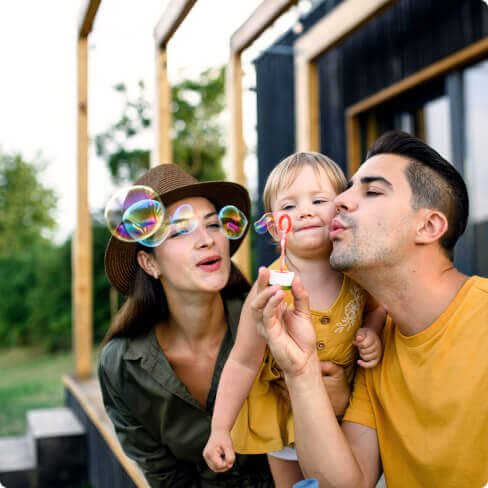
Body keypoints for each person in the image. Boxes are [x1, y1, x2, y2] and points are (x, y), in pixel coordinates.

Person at [251, 131, 488, 488]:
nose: (340, 201)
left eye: (372, 191)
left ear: (428, 226)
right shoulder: (373, 347)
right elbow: (344, 485)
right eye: (347, 189)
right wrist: (301, 372)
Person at [203, 153, 385, 487]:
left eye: (318, 200)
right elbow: (243, 361)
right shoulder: (269, 289)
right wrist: (219, 429)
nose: (304, 211)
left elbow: (376, 308)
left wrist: (371, 333)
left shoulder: (357, 269)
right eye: (288, 207)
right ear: (274, 227)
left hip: (350, 406)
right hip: (284, 413)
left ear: (342, 208)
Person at [98, 163, 273, 487]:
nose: (207, 239)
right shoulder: (122, 367)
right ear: (149, 263)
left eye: (213, 224)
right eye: (180, 230)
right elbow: (167, 479)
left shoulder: (270, 320)